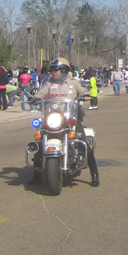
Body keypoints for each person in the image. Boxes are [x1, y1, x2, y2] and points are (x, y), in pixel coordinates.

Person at [29, 58, 98, 187]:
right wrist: (36, 99)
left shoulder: (74, 83)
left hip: (70, 119)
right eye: (52, 70)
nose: (54, 72)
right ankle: (36, 175)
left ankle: (94, 173)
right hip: (52, 118)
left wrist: (86, 95)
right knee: (39, 142)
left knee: (84, 143)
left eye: (56, 70)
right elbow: (40, 93)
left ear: (64, 70)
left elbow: (84, 91)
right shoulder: (49, 84)